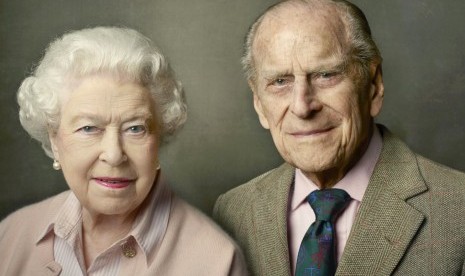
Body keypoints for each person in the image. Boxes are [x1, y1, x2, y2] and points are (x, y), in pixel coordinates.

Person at [213, 0, 465, 275]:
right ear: (259, 104)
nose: (301, 106)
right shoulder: (233, 211)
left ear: (373, 85)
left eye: (326, 75)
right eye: (280, 82)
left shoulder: (457, 209)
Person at [0, 26, 247, 276]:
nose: (114, 154)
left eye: (135, 128)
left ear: (158, 138)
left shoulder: (217, 262)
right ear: (55, 139)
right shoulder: (10, 236)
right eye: (89, 128)